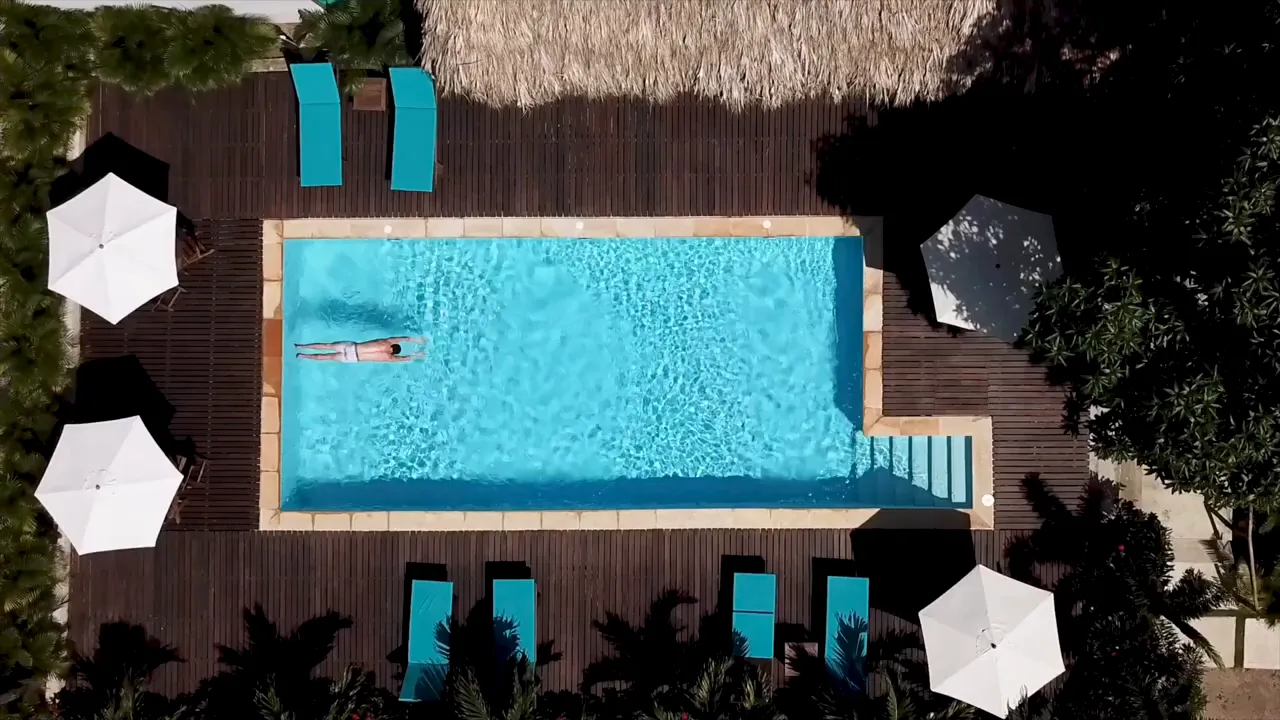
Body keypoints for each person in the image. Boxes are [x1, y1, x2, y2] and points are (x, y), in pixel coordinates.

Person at [295, 337, 426, 363]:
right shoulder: (389, 358)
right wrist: (417, 355)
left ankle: (301, 347)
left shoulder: (386, 342)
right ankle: (302, 356)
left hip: (353, 347)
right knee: (327, 357)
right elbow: (405, 358)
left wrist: (417, 340)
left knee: (327, 346)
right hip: (354, 358)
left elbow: (404, 338)